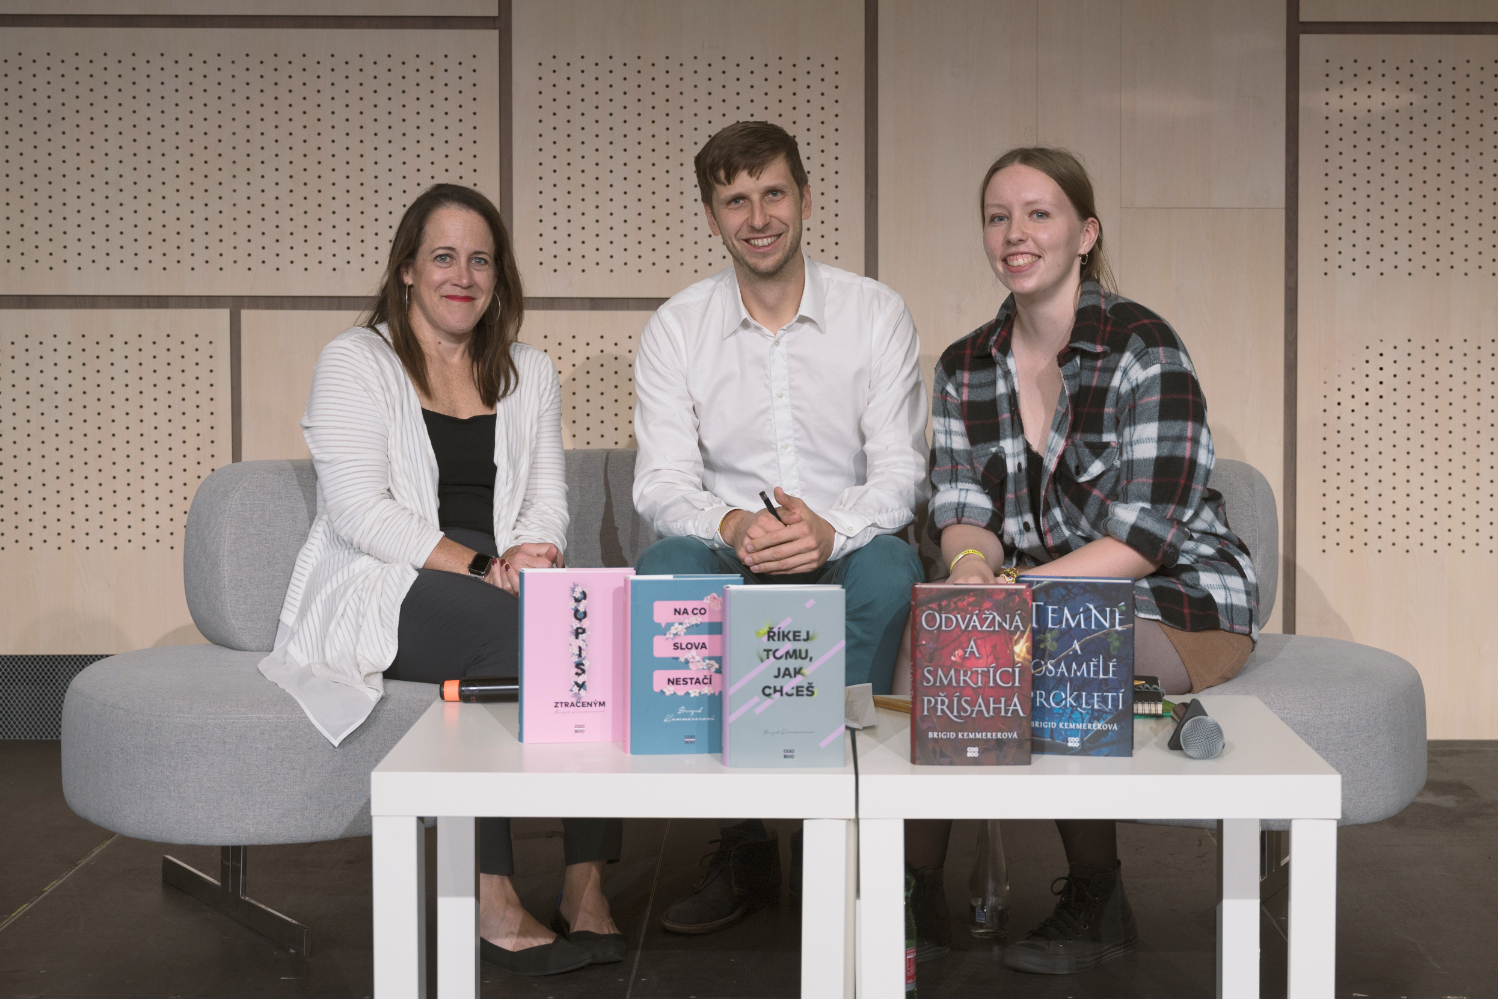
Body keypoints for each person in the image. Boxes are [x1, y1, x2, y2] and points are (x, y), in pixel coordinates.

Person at [906, 147, 1258, 975]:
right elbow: (962, 508)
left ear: (1085, 233)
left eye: (1040, 214)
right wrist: (968, 572)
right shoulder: (964, 366)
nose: (1015, 233)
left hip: (1180, 598)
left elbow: (1146, 540)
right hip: (1042, 595)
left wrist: (1012, 593)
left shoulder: (1144, 348)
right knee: (938, 636)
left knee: (1055, 645)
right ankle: (913, 892)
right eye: (998, 217)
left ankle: (1100, 900)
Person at [258, 184, 623, 977]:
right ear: (408, 271)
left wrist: (533, 555)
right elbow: (360, 511)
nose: (463, 276)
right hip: (386, 577)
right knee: (512, 632)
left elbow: (547, 498)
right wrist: (486, 567)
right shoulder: (357, 360)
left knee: (590, 626)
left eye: (480, 260)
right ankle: (490, 897)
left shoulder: (529, 370)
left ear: (499, 275)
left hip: (497, 574)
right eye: (444, 257)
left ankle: (585, 879)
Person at [631, 121, 930, 934]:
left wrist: (831, 529)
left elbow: (899, 472)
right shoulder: (677, 327)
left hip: (844, 550)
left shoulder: (875, 313)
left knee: (892, 572)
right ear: (711, 216)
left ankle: (841, 825)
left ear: (806, 198)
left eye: (773, 193)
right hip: (734, 555)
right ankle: (745, 841)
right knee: (666, 571)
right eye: (736, 201)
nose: (758, 217)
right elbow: (661, 482)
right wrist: (731, 522)